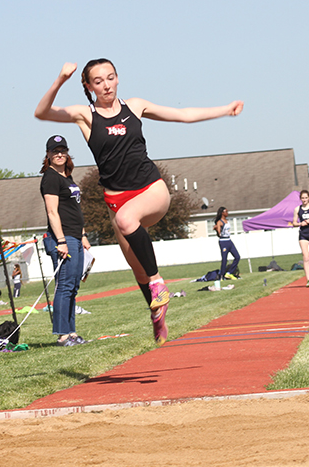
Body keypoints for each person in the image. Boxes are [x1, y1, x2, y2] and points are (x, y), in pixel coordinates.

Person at [34, 59, 242, 345]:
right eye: (98, 81)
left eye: (111, 78)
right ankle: (156, 314)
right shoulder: (86, 115)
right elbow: (42, 112)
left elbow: (182, 114)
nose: (106, 85)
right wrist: (59, 80)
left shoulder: (135, 106)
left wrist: (224, 110)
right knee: (137, 268)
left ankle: (159, 283)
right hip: (116, 199)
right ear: (88, 86)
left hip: (151, 189)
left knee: (127, 224)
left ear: (118, 78)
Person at [40, 135, 92, 346]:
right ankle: (63, 335)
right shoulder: (50, 177)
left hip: (75, 237)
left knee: (73, 287)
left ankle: (71, 333)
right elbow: (53, 212)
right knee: (64, 286)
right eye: (55, 151)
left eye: (63, 150)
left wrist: (83, 235)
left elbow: (73, 210)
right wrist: (61, 240)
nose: (59, 154)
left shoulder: (67, 177)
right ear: (48, 155)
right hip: (62, 239)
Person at [214, 207, 240, 280]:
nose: (227, 213)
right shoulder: (219, 222)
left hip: (229, 240)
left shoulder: (227, 221)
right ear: (222, 213)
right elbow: (219, 234)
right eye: (226, 212)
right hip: (223, 241)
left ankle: (229, 273)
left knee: (237, 257)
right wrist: (217, 229)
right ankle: (221, 276)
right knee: (224, 259)